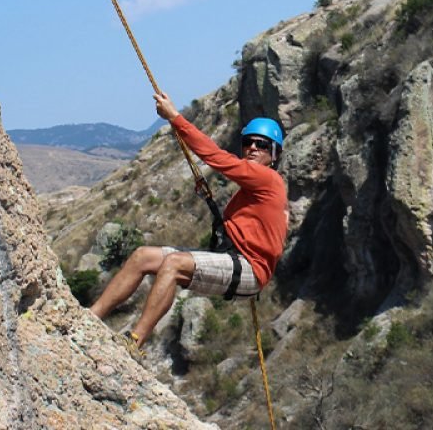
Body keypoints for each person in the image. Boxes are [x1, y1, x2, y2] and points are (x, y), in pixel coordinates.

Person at [90, 92, 288, 354]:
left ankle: (134, 342)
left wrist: (175, 118)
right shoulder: (251, 190)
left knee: (173, 264)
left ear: (273, 154)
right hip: (237, 261)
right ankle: (90, 318)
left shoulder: (268, 179)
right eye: (248, 142)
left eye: (261, 145)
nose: (252, 148)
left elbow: (216, 157)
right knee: (143, 257)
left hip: (250, 269)